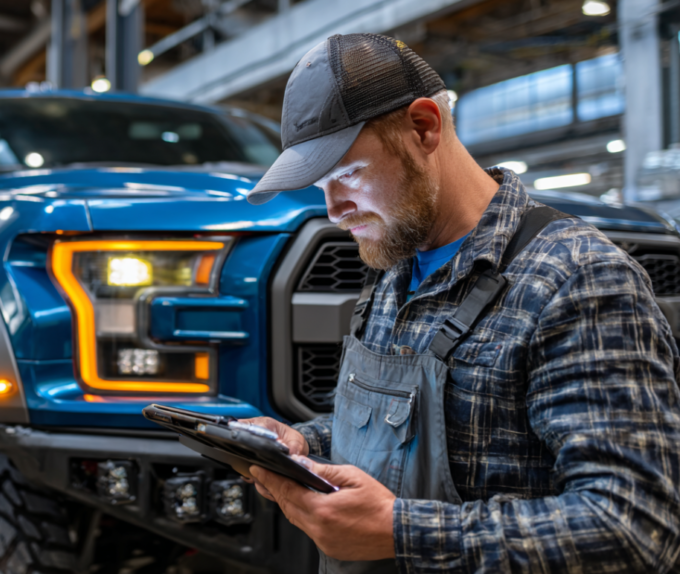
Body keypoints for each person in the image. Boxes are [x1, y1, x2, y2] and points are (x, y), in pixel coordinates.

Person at [242, 33, 680, 572]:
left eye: (348, 173)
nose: (335, 210)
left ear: (424, 127)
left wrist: (400, 532)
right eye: (320, 185)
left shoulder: (577, 278)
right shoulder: (395, 266)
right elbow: (410, 431)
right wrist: (302, 444)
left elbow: (636, 527)